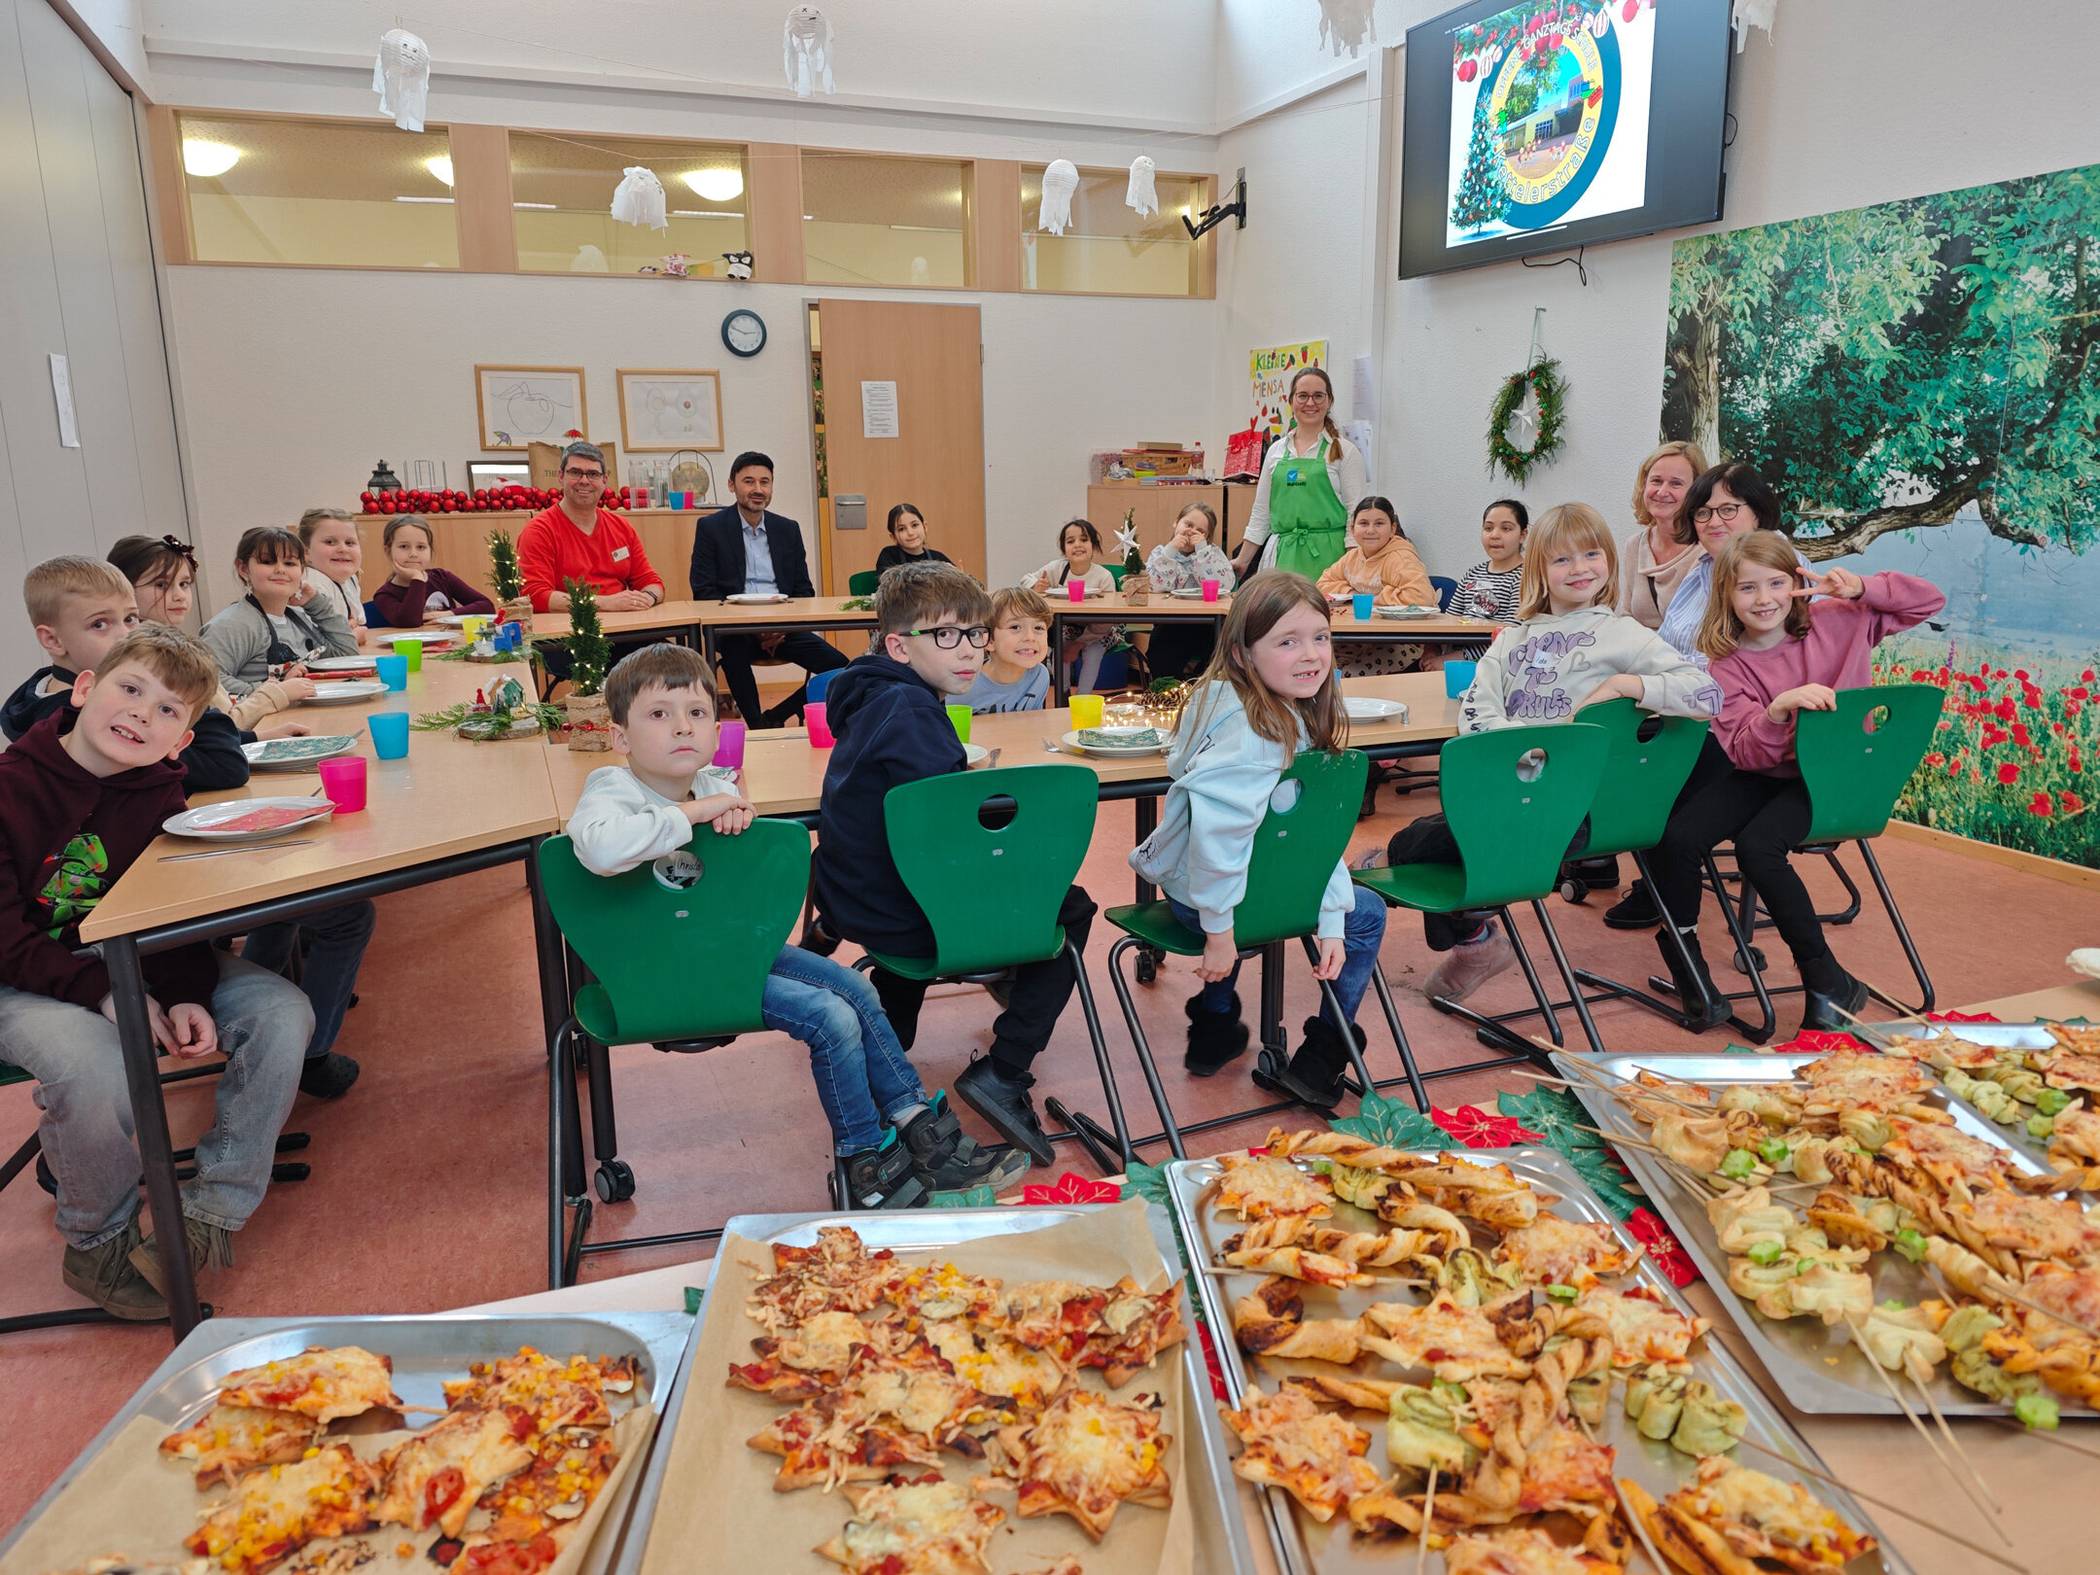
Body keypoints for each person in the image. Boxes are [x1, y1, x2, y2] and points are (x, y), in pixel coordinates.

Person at [567, 643, 1025, 1206]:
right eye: (658, 714)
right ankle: (865, 1167)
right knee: (829, 1016)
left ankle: (916, 1128)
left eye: (697, 713)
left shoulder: (714, 785)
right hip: (655, 974)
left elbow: (742, 890)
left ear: (717, 728)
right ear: (621, 738)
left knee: (855, 986)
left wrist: (731, 809)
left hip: (723, 952)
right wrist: (695, 815)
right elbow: (598, 849)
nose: (681, 727)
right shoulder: (609, 790)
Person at [0, 625, 311, 1318]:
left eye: (169, 709)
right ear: (84, 688)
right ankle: (98, 1244)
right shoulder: (9, 788)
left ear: (182, 742)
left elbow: (169, 909)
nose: (142, 712)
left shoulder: (161, 793)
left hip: (126, 960)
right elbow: (5, 937)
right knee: (93, 1065)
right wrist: (107, 993)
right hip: (17, 976)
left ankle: (206, 1215)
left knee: (281, 1013)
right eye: (130, 689)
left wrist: (183, 992)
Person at [1354, 503, 1721, 1003]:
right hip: (1519, 799)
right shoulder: (1515, 638)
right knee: (1437, 837)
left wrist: (1625, 683)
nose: (1580, 568)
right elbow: (1477, 710)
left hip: (1583, 812)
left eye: (1591, 554)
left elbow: (1706, 694)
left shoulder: (1625, 635)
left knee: (1417, 845)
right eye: (1562, 560)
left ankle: (1467, 933)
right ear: (1539, 571)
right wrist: (1521, 752)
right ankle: (1471, 934)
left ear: (1610, 560)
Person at [813, 563, 1097, 1167]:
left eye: (974, 633)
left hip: (865, 897)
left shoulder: (877, 696)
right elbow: (954, 837)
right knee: (1070, 906)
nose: (968, 649)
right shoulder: (911, 711)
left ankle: (890, 1038)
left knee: (945, 885)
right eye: (945, 635)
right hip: (904, 907)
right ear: (897, 645)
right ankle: (1006, 1068)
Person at [100, 542, 372, 1097]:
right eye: (156, 589)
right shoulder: (181, 656)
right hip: (154, 882)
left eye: (182, 585)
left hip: (172, 857)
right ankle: (302, 1050)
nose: (175, 598)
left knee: (292, 893)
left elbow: (218, 731)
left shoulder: (172, 656)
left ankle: (282, 1038)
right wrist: (246, 719)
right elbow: (219, 757)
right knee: (341, 911)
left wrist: (245, 729)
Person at [1645, 533, 1946, 1030]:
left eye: (1776, 583)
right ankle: (1686, 961)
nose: (1764, 599)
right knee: (1676, 836)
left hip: (1839, 776)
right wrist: (1776, 711)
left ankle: (1824, 977)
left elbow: (1929, 601)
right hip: (1771, 771)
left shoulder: (1841, 621)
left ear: (1796, 584)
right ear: (1726, 597)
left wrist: (1861, 588)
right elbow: (1744, 750)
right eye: (1747, 589)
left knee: (1757, 847)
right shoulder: (1726, 664)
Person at [1132, 572, 1390, 1112]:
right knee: (1365, 913)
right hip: (1213, 898)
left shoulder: (1223, 695)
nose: (1312, 654)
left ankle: (1215, 1025)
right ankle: (1322, 1057)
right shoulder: (1257, 737)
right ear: (1244, 653)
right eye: (1287, 641)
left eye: (1320, 636)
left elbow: (1295, 842)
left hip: (1211, 887)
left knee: (1294, 886)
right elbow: (1223, 845)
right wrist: (1221, 933)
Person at [1609, 462, 1798, 933]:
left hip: (1747, 736)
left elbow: (1757, 675)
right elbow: (1671, 652)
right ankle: (1644, 879)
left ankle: (1657, 890)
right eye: (1704, 513)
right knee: (1613, 748)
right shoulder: (1704, 570)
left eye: (1728, 510)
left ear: (1759, 513)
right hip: (1686, 716)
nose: (1713, 522)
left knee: (1644, 781)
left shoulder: (1782, 573)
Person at [106, 536, 311, 749]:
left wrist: (260, 736)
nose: (179, 596)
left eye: (184, 584)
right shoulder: (149, 654)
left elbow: (219, 724)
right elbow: (224, 723)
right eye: (161, 584)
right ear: (125, 589)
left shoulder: (172, 643)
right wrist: (277, 693)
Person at [690, 451, 849, 727]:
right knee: (734, 655)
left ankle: (777, 715)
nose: (758, 489)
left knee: (842, 668)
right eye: (749, 481)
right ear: (732, 485)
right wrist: (753, 628)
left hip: (783, 628)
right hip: (734, 628)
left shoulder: (787, 529)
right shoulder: (711, 528)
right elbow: (703, 591)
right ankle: (758, 727)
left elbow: (803, 590)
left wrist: (782, 628)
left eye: (765, 482)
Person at [1233, 366, 1366, 581]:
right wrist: (1242, 561)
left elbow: (1355, 517)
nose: (1310, 403)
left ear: (1329, 401)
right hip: (1281, 559)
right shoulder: (1276, 451)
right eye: (1303, 396)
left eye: (1318, 396)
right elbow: (1261, 514)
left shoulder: (1345, 451)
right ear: (1291, 401)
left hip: (1330, 562)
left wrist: (1351, 570)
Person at [199, 527, 358, 695]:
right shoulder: (231, 625)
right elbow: (206, 681)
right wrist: (277, 691)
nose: (280, 569)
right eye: (268, 562)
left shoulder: (300, 618)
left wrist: (316, 604)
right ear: (243, 569)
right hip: (263, 720)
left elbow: (346, 656)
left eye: (290, 563)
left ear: (301, 571)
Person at [517, 440, 666, 614]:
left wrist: (647, 597)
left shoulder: (621, 527)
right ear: (560, 476)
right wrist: (604, 603)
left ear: (604, 480)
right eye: (575, 472)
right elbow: (535, 595)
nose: (584, 481)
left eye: (593, 474)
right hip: (572, 633)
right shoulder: (539, 531)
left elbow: (651, 581)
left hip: (625, 627)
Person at [1317, 496, 1434, 678]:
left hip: (1399, 640)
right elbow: (1323, 584)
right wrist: (1352, 593)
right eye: (1363, 523)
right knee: (1319, 667)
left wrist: (1372, 599)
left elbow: (1421, 597)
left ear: (1392, 529)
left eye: (1379, 524)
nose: (1370, 530)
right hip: (1357, 637)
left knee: (1341, 677)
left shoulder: (1401, 557)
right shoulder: (1353, 557)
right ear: (1352, 529)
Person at [1613, 440, 1708, 630]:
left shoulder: (1707, 550)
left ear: (1696, 491)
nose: (1662, 491)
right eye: (1656, 481)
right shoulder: (1634, 546)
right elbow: (1627, 616)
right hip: (1642, 657)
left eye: (1676, 483)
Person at [1143, 501, 1235, 680]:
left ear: (1207, 537)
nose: (1191, 532)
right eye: (1188, 525)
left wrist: (1202, 551)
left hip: (1208, 624)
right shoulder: (1161, 553)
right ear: (1176, 523)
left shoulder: (1212, 554)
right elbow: (1154, 585)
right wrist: (1170, 551)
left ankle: (1199, 690)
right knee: (1160, 654)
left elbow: (1225, 584)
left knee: (1217, 653)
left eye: (1201, 531)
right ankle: (1168, 693)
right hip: (1171, 622)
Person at [1023, 519, 1117, 693]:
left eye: (1084, 539)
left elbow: (1107, 620)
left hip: (1100, 629)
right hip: (1068, 626)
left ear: (1094, 546)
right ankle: (1063, 694)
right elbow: (1025, 579)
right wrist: (1036, 584)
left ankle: (1083, 697)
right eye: (1070, 541)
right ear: (1064, 550)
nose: (1077, 545)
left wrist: (1079, 644)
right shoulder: (1056, 569)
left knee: (1093, 653)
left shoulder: (1103, 577)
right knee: (1060, 648)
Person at [1433, 498, 1528, 669]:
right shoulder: (1472, 573)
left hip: (1494, 663)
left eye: (1506, 528)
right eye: (1488, 528)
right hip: (1453, 661)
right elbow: (1449, 621)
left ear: (1523, 535)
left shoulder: (1525, 576)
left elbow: (1510, 636)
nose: (1495, 535)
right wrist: (1432, 651)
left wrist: (1458, 657)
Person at [372, 514, 495, 628]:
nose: (413, 554)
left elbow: (487, 606)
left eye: (421, 547)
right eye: (404, 546)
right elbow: (410, 621)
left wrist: (447, 614)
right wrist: (417, 579)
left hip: (452, 645)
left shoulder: (442, 577)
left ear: (430, 550)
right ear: (388, 551)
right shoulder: (384, 595)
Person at [965, 585, 1051, 713]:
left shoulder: (1039, 676)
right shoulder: (964, 685)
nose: (1030, 637)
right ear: (989, 640)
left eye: (1038, 628)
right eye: (1015, 627)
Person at [296, 508, 369, 637]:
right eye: (330, 542)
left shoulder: (350, 579)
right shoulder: (310, 584)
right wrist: (353, 637)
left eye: (350, 542)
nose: (343, 549)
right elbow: (314, 643)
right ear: (306, 552)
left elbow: (356, 622)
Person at [874, 503, 952, 578]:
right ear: (893, 537)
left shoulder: (939, 557)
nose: (910, 533)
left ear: (925, 527)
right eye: (901, 529)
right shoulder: (889, 555)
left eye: (914, 525)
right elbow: (889, 586)